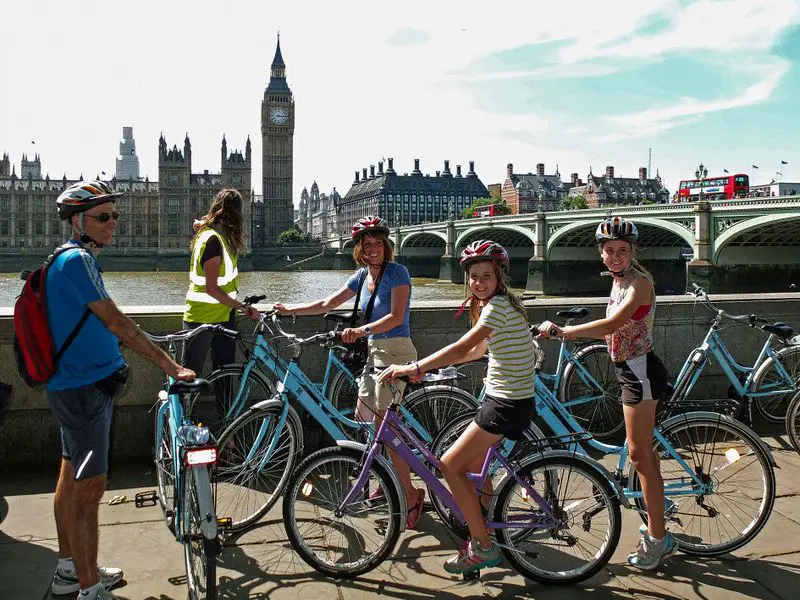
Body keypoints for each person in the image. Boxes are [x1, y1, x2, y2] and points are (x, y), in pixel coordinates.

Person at [47, 181, 196, 600]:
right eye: (103, 217)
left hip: (72, 385)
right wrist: (169, 364)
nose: (113, 223)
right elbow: (118, 324)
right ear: (78, 221)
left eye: (114, 215)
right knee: (91, 487)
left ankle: (69, 570)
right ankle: (90, 588)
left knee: (70, 475)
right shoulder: (78, 261)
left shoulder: (70, 259)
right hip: (84, 389)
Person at [379, 240, 537, 575]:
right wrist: (429, 368)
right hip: (509, 398)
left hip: (504, 403)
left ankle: (482, 546)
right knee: (476, 470)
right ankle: (484, 522)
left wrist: (414, 367)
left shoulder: (495, 307)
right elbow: (476, 352)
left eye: (486, 276)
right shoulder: (503, 303)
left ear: (499, 277)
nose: (478, 282)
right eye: (474, 276)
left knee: (449, 465)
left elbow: (463, 344)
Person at [537, 216, 675, 570]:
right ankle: (656, 503)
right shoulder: (618, 281)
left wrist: (563, 332)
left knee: (639, 456)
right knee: (646, 456)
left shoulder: (638, 283)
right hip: (628, 370)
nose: (615, 256)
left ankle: (659, 540)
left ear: (633, 252)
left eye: (622, 251)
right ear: (601, 253)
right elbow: (615, 330)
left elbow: (613, 325)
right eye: (609, 250)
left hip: (640, 372)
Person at [273, 215, 426, 528]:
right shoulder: (361, 277)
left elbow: (397, 317)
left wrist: (361, 330)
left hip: (396, 351)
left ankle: (410, 494)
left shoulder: (398, 273)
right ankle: (387, 484)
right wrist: (292, 310)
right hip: (374, 354)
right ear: (359, 249)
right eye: (367, 244)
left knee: (389, 431)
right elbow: (328, 302)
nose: (373, 248)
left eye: (378, 243)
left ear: (386, 245)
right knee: (363, 419)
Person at [182, 189, 259, 378]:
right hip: (201, 318)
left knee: (225, 376)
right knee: (189, 379)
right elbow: (211, 288)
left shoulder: (217, 236)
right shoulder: (213, 241)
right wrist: (243, 308)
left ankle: (226, 409)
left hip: (224, 316)